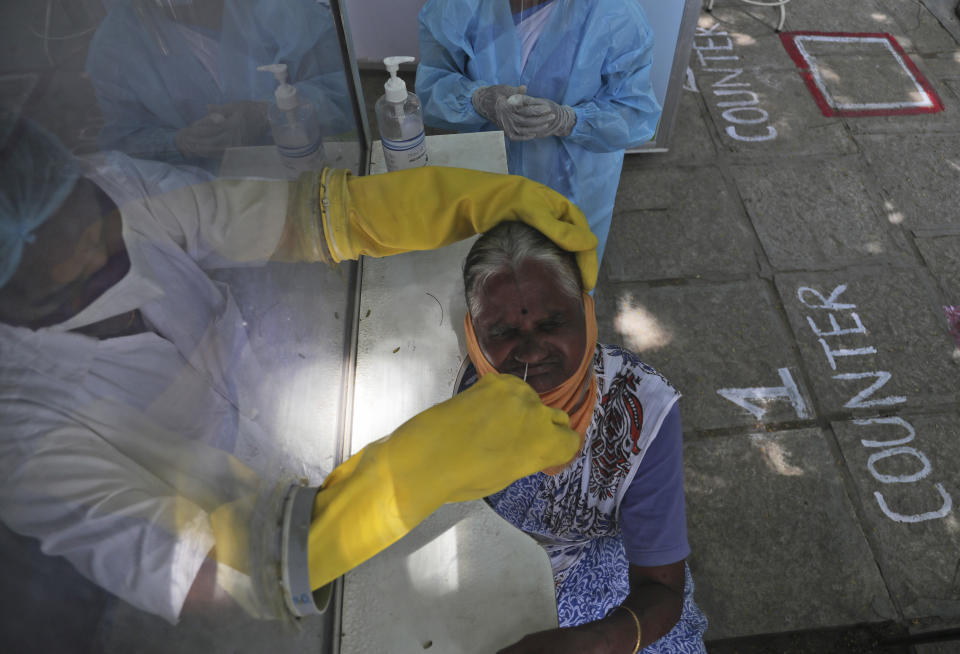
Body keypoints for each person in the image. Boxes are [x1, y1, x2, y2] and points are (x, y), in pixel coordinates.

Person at [0, 116, 599, 623]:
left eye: (96, 215)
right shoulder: (21, 433)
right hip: (249, 586)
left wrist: (468, 201)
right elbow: (202, 571)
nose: (110, 244)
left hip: (277, 425)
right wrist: (408, 479)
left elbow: (302, 218)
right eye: (74, 254)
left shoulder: (112, 189)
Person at [456, 222, 707, 653]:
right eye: (502, 333)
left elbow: (661, 589)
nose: (532, 352)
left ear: (586, 314)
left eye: (553, 322)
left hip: (596, 569)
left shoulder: (642, 416)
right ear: (474, 334)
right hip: (482, 563)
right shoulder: (454, 401)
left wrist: (599, 641)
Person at [416, 0, 662, 266]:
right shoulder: (460, 6)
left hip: (571, 182)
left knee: (563, 275)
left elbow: (636, 111)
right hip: (485, 173)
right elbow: (433, 83)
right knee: (485, 272)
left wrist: (570, 120)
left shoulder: (613, 12)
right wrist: (479, 100)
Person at [86, 0, 353, 167]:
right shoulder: (117, 45)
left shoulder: (280, 9)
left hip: (312, 163)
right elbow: (123, 139)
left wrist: (265, 114)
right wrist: (179, 143)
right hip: (206, 192)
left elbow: (344, 91)